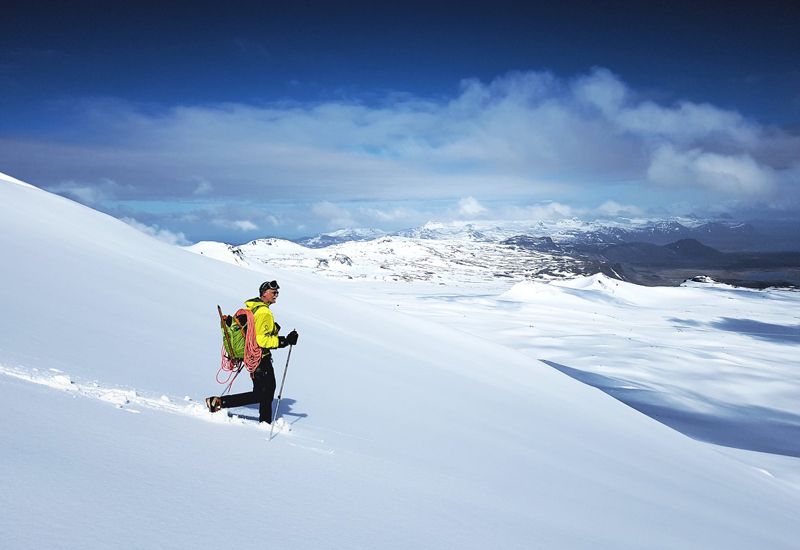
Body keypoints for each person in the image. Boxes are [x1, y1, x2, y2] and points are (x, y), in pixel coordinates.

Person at [205, 280, 299, 423]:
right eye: (274, 292)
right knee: (263, 394)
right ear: (265, 293)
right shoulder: (264, 312)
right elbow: (261, 340)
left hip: (252, 357)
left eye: (277, 292)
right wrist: (285, 341)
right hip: (261, 358)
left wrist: (274, 330)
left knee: (263, 394)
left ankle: (264, 422)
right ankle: (219, 402)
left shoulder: (253, 308)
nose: (276, 295)